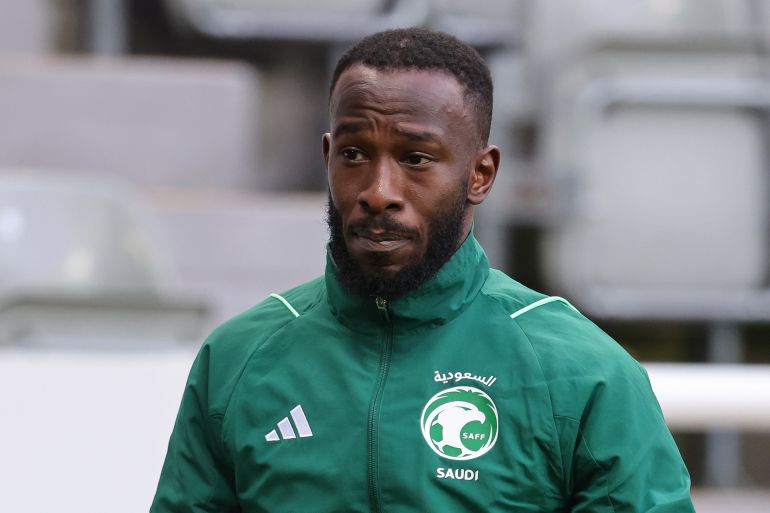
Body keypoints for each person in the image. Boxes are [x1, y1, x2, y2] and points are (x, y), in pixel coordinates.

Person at [151, 28, 695, 512]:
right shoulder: (238, 360)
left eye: (415, 159)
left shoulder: (581, 372)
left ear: (480, 174)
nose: (379, 192)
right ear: (327, 157)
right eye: (355, 154)